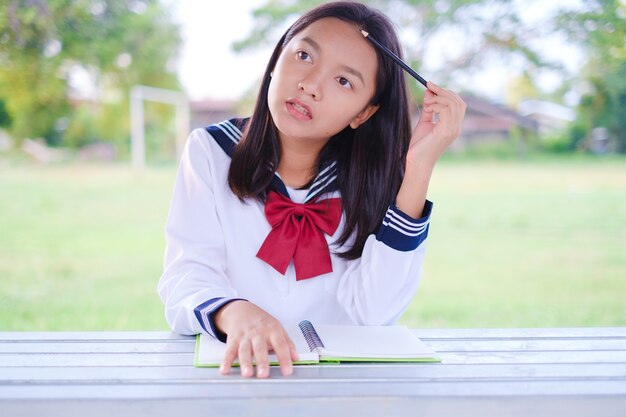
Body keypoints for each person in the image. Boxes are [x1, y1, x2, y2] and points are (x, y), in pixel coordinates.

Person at [158, 1, 466, 379]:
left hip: (343, 387)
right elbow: (186, 277)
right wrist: (235, 311)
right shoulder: (210, 151)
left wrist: (418, 169)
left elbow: (375, 311)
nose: (310, 85)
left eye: (343, 81)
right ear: (276, 59)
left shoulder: (370, 177)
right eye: (304, 54)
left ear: (363, 113)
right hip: (234, 377)